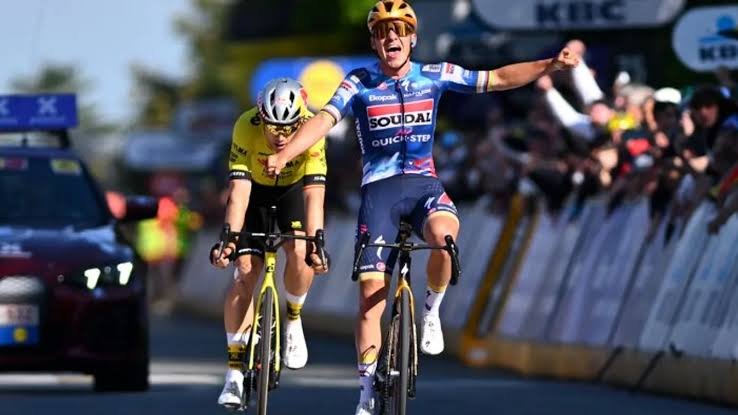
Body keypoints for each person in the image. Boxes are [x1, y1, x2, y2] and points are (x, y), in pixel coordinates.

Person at [266, 2, 579, 413]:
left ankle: (431, 311)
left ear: (412, 38)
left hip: (423, 185)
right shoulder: (359, 81)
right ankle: (365, 393)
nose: (391, 38)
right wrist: (286, 152)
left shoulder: (434, 74)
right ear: (374, 43)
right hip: (379, 193)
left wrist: (550, 64)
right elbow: (324, 120)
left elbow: (499, 78)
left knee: (445, 240)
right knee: (371, 296)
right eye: (382, 33)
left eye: (398, 31)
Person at [210, 77, 328, 408]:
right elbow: (238, 192)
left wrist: (317, 241)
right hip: (254, 194)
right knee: (245, 271)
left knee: (301, 250)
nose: (280, 135)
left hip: (292, 192)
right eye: (273, 126)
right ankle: (234, 375)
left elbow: (314, 195)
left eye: (288, 127)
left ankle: (293, 318)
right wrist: (229, 239)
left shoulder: (312, 130)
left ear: (300, 120)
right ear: (260, 117)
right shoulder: (245, 126)